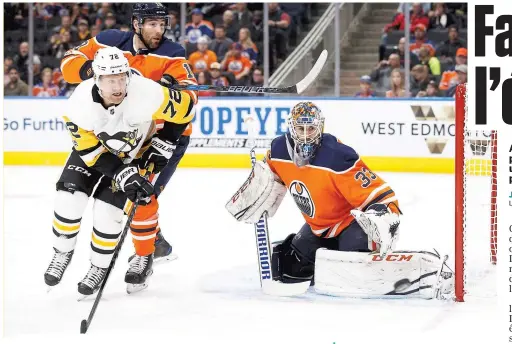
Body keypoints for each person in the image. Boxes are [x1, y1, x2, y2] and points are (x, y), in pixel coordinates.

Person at [226, 102, 454, 299]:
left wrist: (381, 218)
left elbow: (382, 195)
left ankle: (410, 271)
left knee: (353, 272)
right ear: (291, 128)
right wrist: (257, 189)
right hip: (319, 228)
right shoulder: (278, 150)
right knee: (288, 269)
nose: (305, 135)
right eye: (300, 128)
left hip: (350, 225)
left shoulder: (337, 156)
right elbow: (270, 179)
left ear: (320, 128)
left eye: (311, 128)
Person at [44, 46, 196, 296]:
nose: (117, 86)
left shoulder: (147, 92)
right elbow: (91, 153)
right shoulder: (78, 105)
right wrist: (121, 174)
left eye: (121, 78)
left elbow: (186, 110)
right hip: (94, 153)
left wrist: (165, 142)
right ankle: (62, 252)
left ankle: (98, 267)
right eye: (109, 80)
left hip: (133, 155)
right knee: (67, 200)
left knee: (108, 212)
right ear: (96, 80)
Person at [59, 3, 198, 264]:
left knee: (142, 195)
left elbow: (191, 96)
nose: (159, 30)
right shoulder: (110, 42)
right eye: (152, 24)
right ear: (136, 24)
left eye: (162, 24)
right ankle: (155, 242)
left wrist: (173, 88)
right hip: (124, 132)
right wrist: (96, 70)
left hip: (163, 136)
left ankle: (149, 250)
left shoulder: (174, 53)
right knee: (126, 190)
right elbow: (68, 62)